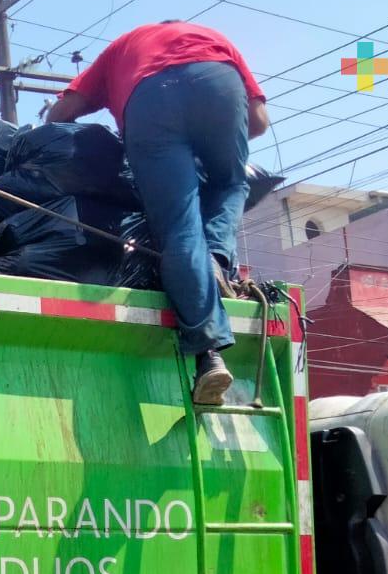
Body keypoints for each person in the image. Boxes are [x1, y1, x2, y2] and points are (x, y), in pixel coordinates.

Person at [49, 22, 270, 405]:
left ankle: (209, 354)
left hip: (149, 100)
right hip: (219, 82)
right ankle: (217, 257)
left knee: (180, 232)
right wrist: (211, 142)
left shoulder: (122, 47)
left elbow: (61, 112)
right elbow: (260, 122)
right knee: (230, 183)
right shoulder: (216, 37)